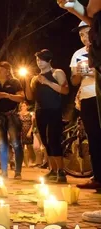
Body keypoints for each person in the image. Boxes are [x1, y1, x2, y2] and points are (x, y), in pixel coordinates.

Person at [25, 49, 69, 183]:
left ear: (49, 60)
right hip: (40, 111)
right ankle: (53, 170)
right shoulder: (35, 78)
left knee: (53, 139)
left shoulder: (57, 73)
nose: (39, 62)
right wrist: (27, 81)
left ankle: (61, 171)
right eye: (37, 60)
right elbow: (30, 97)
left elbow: (65, 90)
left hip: (54, 109)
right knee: (45, 141)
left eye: (42, 59)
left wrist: (48, 82)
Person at [70, 21, 101, 190]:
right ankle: (97, 177)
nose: (84, 37)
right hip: (87, 98)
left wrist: (94, 69)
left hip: (99, 95)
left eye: (87, 32)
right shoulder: (78, 54)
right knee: (93, 138)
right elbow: (74, 80)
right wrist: (78, 73)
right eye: (81, 34)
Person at [0, 61, 25, 179]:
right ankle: (4, 171)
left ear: (7, 71)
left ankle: (18, 172)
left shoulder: (14, 82)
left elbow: (21, 97)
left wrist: (7, 95)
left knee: (16, 143)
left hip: (12, 116)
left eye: (0, 70)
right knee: (2, 145)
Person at [18, 101, 36, 167]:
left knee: (29, 147)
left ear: (27, 106)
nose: (23, 107)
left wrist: (30, 131)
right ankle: (22, 161)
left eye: (24, 106)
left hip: (28, 131)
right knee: (21, 148)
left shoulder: (30, 114)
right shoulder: (18, 114)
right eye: (22, 106)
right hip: (21, 132)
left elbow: (32, 124)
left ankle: (30, 161)